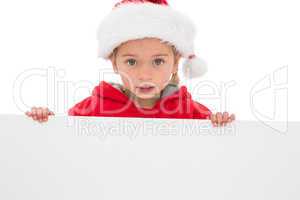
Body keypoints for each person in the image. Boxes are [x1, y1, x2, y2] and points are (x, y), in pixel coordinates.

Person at [26, 0, 235, 126]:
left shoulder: (186, 108)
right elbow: (63, 133)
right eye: (132, 62)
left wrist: (218, 122)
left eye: (158, 61)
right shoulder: (97, 106)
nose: (144, 74)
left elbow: (212, 142)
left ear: (175, 63)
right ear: (114, 63)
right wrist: (46, 119)